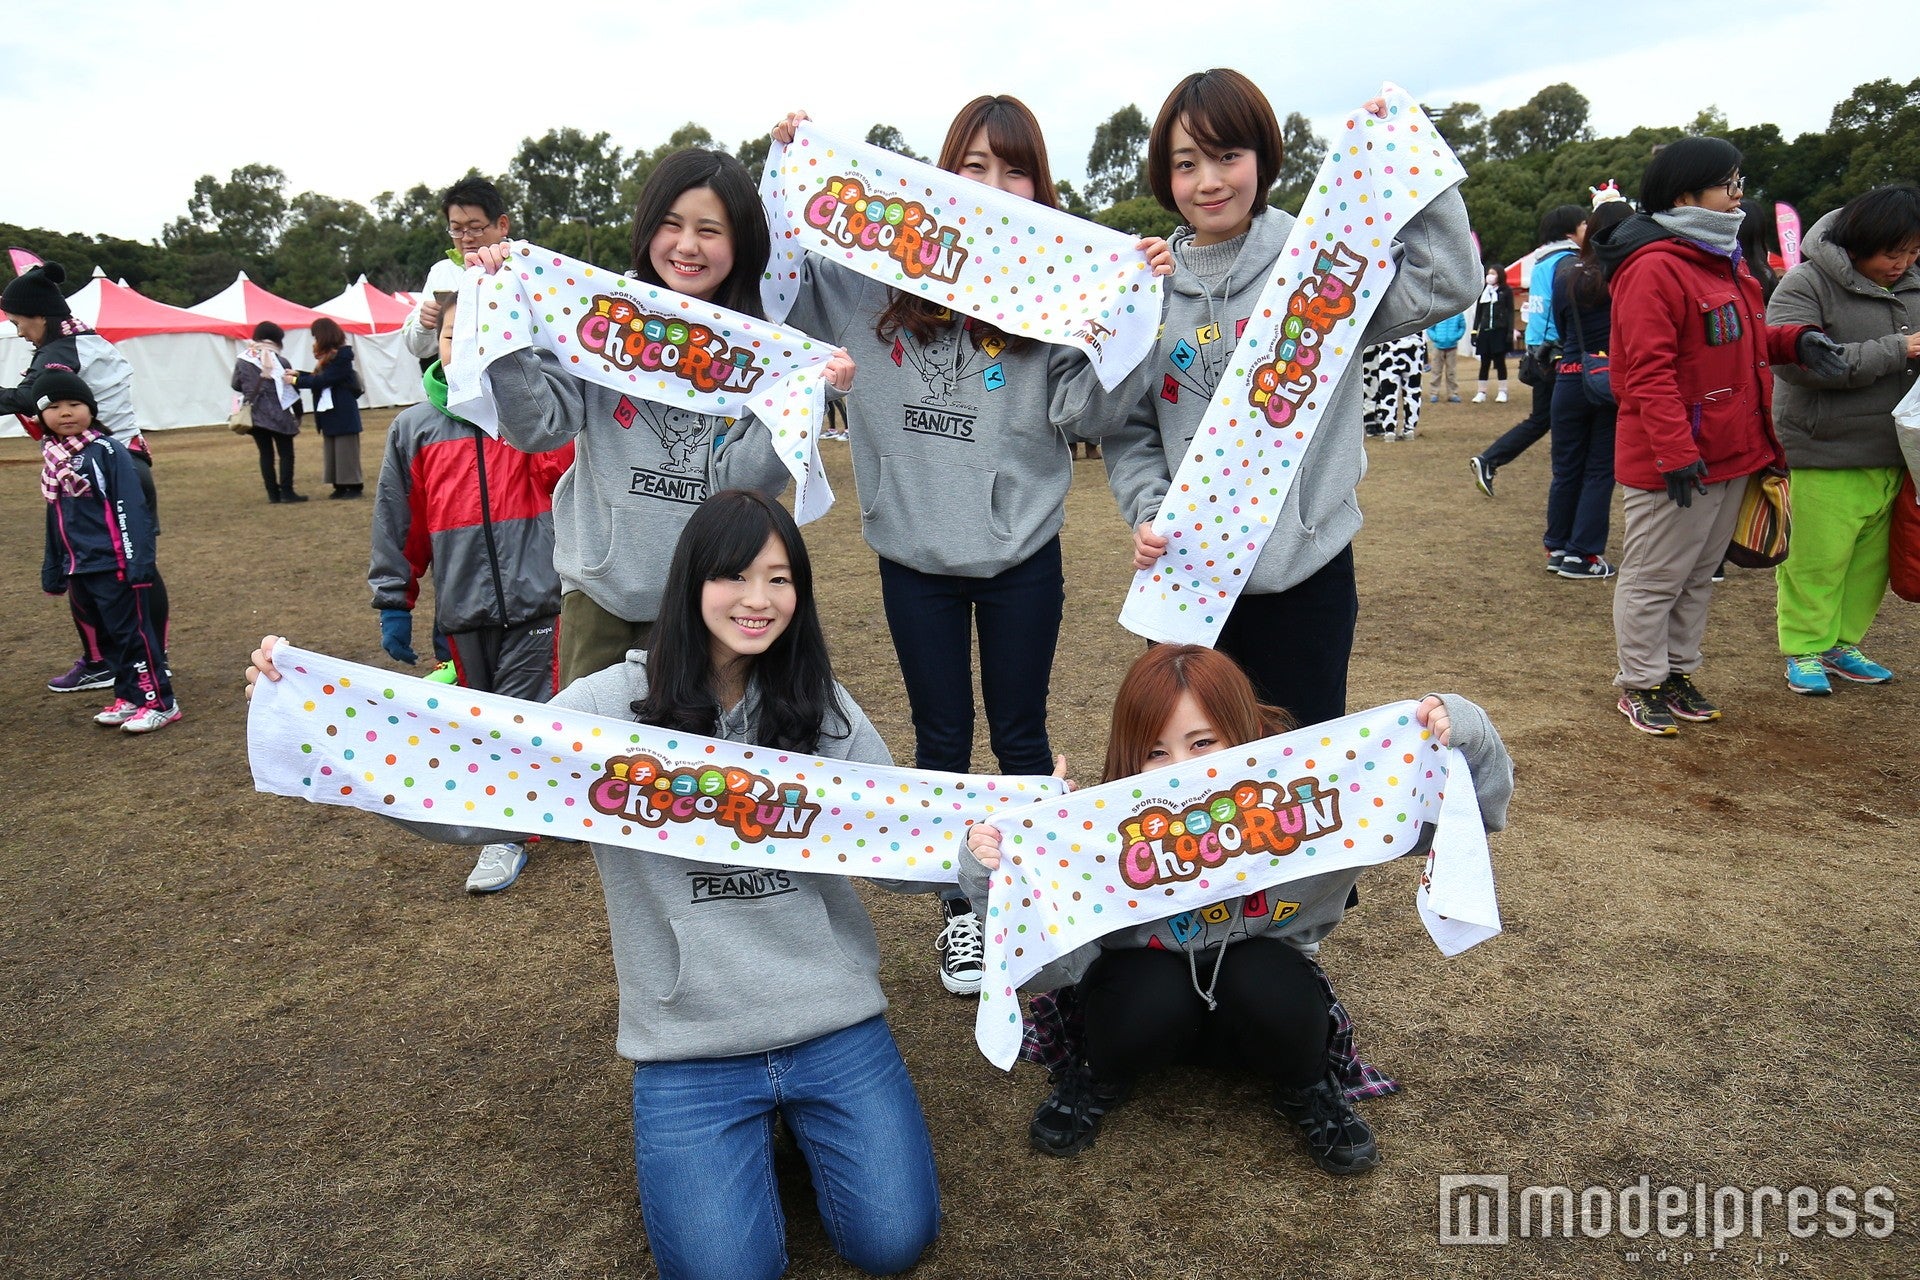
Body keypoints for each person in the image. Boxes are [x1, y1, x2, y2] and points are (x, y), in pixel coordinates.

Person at [247, 490, 942, 1280]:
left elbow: (904, 844)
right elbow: (473, 795)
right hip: (690, 1047)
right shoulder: (609, 710)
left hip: (831, 1023)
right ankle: (760, 1139)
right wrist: (311, 721)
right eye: (734, 576)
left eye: (780, 580)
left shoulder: (820, 705)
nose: (758, 600)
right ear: (689, 583)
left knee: (892, 1244)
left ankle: (800, 1131)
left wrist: (1001, 844)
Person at [770, 98, 1172, 997]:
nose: (993, 187)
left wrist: (1136, 315)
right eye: (974, 167)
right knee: (941, 739)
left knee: (1021, 735)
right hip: (913, 559)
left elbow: (1090, 413)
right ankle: (962, 912)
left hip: (1023, 555)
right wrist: (788, 167)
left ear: (1040, 186)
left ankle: (1027, 899)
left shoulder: (1056, 292)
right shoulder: (869, 284)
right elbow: (784, 281)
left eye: (1013, 169)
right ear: (943, 177)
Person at [959, 645, 1513, 1171]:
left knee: (1266, 976)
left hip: (1260, 991)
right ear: (1130, 757)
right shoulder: (1103, 833)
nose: (1182, 767)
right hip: (1138, 1002)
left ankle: (1310, 1085)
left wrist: (1469, 736)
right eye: (1156, 751)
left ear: (1245, 735)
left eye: (1203, 743)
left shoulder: (1310, 798)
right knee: (1147, 990)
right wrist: (997, 878)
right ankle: (1097, 1075)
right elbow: (1051, 970)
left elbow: (1466, 819)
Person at [1100, 68, 1479, 728]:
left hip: (1305, 575)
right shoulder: (1147, 286)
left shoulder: (1322, 266)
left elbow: (1445, 281)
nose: (1210, 181)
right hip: (1187, 581)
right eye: (1187, 164)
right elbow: (1129, 427)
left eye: (1228, 156)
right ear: (1166, 176)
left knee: (1297, 772)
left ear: (1262, 158)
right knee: (1198, 773)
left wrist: (1411, 154)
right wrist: (1149, 508)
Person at [468, 149, 817, 689]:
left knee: (692, 755)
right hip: (600, 589)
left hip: (712, 596)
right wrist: (504, 331)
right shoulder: (599, 314)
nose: (687, 246)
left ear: (743, 241)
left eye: (710, 230)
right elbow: (540, 429)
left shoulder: (763, 349)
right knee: (589, 755)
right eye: (671, 224)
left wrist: (802, 402)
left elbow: (742, 485)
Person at [1591, 136, 1848, 734]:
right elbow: (1644, 373)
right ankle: (1640, 682)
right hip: (1677, 459)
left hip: (1732, 450)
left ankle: (1676, 671)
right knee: (1656, 577)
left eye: (1740, 183)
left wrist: (1798, 341)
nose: (1740, 196)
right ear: (1684, 194)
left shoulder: (1719, 257)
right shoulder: (1655, 265)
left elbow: (1745, 342)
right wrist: (1676, 453)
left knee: (1698, 575)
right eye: (1728, 184)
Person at [368, 290, 574, 892]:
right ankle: (526, 807)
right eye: (457, 334)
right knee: (479, 722)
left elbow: (565, 478)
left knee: (527, 714)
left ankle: (503, 835)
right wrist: (393, 599)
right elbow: (397, 520)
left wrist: (524, 404)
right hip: (462, 610)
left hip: (541, 601)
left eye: (486, 334)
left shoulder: (532, 419)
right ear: (437, 342)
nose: (467, 346)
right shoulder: (414, 428)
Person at [1767, 183, 1920, 694]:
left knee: (1871, 565)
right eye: (1892, 252)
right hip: (1824, 449)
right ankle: (1804, 650)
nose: (1902, 264)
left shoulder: (1916, 284)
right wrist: (1898, 349)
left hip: (1895, 452)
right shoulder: (1805, 284)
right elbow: (1800, 365)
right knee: (1816, 559)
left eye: (1914, 252)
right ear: (1860, 240)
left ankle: (1842, 644)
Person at [3, 260, 169, 694]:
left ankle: (118, 662)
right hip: (120, 463)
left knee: (101, 569)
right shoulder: (80, 340)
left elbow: (29, 397)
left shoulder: (62, 351)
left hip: (101, 472)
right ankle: (147, 660)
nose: (18, 331)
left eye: (19, 322)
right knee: (129, 567)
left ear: (40, 315)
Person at [35, 371, 179, 733]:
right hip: (79, 566)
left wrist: (137, 561)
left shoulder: (107, 452)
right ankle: (129, 695)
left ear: (91, 409)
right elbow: (56, 516)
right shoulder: (55, 460)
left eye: (74, 404)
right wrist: (55, 566)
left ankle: (159, 701)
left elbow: (129, 507)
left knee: (133, 634)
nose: (65, 413)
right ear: (41, 416)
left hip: (114, 563)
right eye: (54, 406)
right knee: (109, 638)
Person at [1467, 205, 1586, 497]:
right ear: (1570, 231)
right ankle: (1568, 484)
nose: (1589, 229)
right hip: (1559, 353)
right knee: (1566, 423)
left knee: (1541, 418)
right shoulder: (1569, 262)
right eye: (1585, 224)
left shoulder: (1542, 261)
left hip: (1539, 353)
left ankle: (1489, 459)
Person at [1544, 198, 1632, 579]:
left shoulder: (1566, 274)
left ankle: (1558, 545)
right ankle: (1584, 554)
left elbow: (1562, 330)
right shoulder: (1624, 277)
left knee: (1565, 470)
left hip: (1568, 376)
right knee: (1598, 470)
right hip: (1607, 378)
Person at [400, 177, 511, 362]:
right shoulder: (442, 272)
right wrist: (425, 324)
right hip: (461, 386)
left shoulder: (521, 264)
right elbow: (418, 348)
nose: (466, 238)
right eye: (457, 229)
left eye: (475, 228)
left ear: (502, 225)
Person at [288, 317, 364, 498]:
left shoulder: (343, 355)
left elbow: (325, 379)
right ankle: (339, 484)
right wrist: (298, 375)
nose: (314, 341)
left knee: (346, 449)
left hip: (342, 408)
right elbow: (320, 376)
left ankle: (353, 485)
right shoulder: (329, 357)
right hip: (328, 409)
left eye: (316, 337)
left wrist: (295, 380)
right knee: (332, 448)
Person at [232, 321, 306, 504]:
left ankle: (273, 494)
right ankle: (287, 492)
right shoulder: (281, 362)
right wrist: (298, 414)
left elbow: (235, 384)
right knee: (286, 453)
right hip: (279, 413)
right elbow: (291, 390)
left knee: (265, 454)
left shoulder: (243, 359)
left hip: (255, 413)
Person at [1362, 333, 1427, 440]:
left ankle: (1389, 430)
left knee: (1388, 393)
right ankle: (1409, 429)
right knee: (1413, 391)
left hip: (1391, 348)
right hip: (1415, 348)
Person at [1469, 264, 1514, 403]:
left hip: (1499, 331)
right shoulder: (1484, 291)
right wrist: (1474, 331)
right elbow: (1478, 313)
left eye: (1493, 273)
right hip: (1485, 332)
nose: (1490, 275)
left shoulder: (1506, 291)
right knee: (1484, 362)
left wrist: (1509, 332)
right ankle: (1481, 392)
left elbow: (1510, 312)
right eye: (1489, 273)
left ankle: (1502, 391)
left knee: (1500, 362)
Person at [1426, 310, 1466, 403]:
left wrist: (1456, 337)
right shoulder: (1436, 312)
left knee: (1451, 372)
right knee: (1436, 371)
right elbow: (1430, 328)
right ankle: (1434, 393)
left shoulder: (1458, 313)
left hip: (1452, 347)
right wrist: (1436, 338)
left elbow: (1462, 327)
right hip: (1438, 347)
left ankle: (1453, 393)